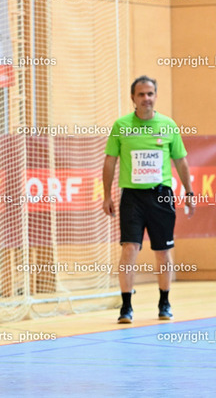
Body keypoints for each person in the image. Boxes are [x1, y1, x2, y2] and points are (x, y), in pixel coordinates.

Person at [103, 75, 195, 324]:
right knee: (129, 248)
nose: (146, 98)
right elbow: (110, 161)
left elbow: (181, 160)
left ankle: (164, 302)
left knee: (163, 251)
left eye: (150, 93)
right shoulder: (121, 126)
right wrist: (106, 195)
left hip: (161, 196)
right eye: (141, 94)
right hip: (132, 197)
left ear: (155, 96)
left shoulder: (168, 125)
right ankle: (126, 307)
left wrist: (189, 192)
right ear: (133, 98)